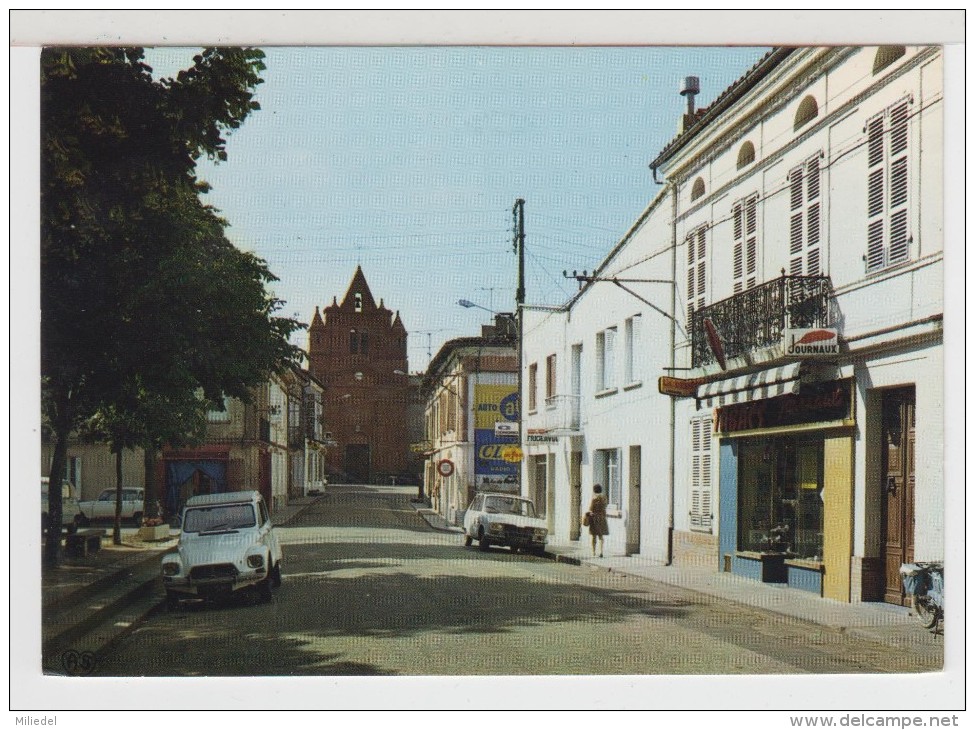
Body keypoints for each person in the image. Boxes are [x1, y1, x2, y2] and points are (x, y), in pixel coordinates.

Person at [587, 484, 609, 557]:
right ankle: (601, 551)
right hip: (602, 518)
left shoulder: (594, 498)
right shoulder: (604, 497)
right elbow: (605, 506)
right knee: (601, 536)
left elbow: (591, 508)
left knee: (594, 536)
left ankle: (593, 552)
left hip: (594, 518)